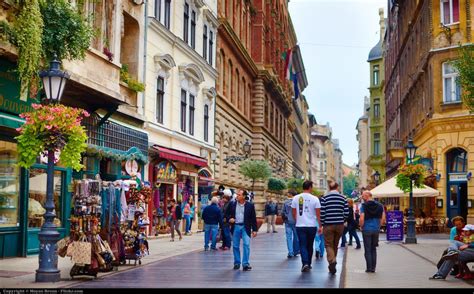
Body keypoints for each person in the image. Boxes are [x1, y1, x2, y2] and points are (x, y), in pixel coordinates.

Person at [291, 180, 322, 273]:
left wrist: (298, 220)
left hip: (300, 225)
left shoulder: (296, 198)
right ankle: (308, 263)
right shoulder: (315, 199)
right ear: (310, 187)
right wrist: (320, 225)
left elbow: (293, 212)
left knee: (302, 244)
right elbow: (318, 214)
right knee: (309, 245)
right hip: (312, 225)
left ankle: (305, 263)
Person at [320, 181, 349, 274]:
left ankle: (332, 261)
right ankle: (333, 261)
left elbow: (322, 213)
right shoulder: (343, 198)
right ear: (337, 187)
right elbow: (346, 213)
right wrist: (342, 220)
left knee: (328, 244)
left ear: (329, 188)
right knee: (335, 244)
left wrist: (323, 223)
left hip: (328, 225)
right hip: (339, 225)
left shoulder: (325, 198)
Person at [226, 189, 258, 271]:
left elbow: (253, 218)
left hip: (245, 227)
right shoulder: (232, 204)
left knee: (246, 245)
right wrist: (230, 219)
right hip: (235, 226)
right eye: (237, 194)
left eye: (239, 195)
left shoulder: (250, 206)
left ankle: (245, 264)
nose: (237, 196)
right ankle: (237, 263)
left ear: (244, 196)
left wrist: (255, 230)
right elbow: (227, 214)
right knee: (235, 246)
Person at [359, 191, 385, 273]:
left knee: (367, 249)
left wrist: (361, 226)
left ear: (367, 196)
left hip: (366, 229)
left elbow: (362, 218)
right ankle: (373, 268)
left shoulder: (363, 206)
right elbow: (383, 219)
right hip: (376, 230)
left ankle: (369, 268)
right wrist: (378, 226)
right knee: (373, 249)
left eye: (363, 196)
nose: (362, 197)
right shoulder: (380, 205)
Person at [281, 189, 300, 258]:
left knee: (288, 237)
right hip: (296, 222)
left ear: (291, 194)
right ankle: (296, 251)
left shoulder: (286, 202)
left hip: (288, 222)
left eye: (288, 193)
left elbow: (282, 212)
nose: (287, 194)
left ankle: (290, 252)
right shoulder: (297, 202)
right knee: (296, 237)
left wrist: (286, 217)